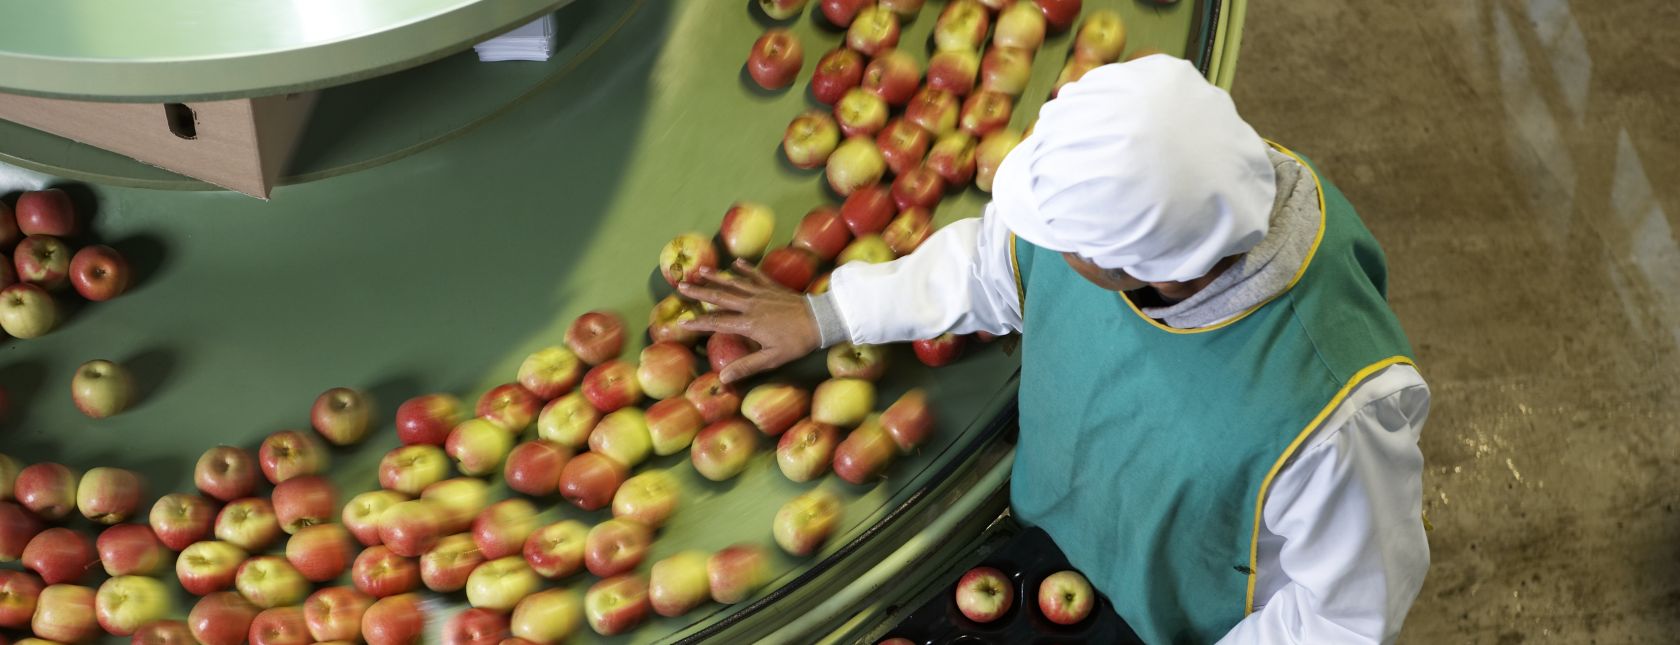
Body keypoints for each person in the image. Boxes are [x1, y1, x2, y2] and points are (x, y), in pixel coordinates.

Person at [680, 55, 1430, 644]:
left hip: (1181, 622)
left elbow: (1347, 617)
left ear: (1145, 268)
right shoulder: (1195, 188)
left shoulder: (1333, 409)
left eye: (1066, 241)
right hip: (1057, 542)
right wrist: (831, 313)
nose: (1041, 243)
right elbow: (987, 263)